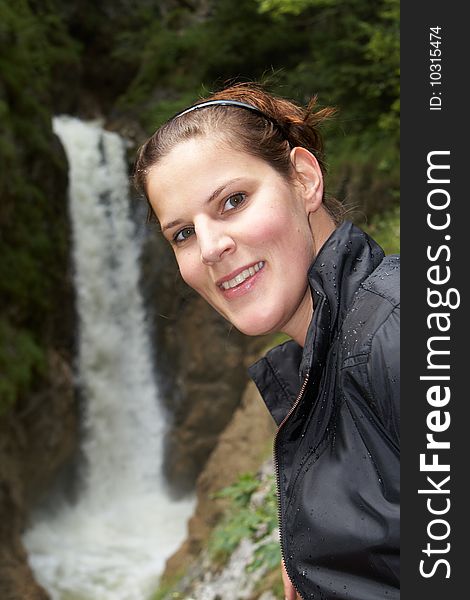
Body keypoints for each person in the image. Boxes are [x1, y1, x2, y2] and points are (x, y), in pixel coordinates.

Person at [133, 83, 400, 600]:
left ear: (303, 180)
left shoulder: (399, 333)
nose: (210, 248)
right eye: (183, 233)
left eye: (233, 201)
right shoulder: (329, 357)